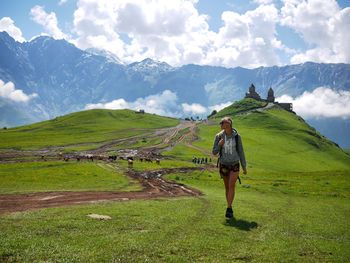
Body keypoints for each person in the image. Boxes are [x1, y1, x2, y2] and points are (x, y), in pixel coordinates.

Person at [212, 117, 247, 218]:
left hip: (235, 164)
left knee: (232, 186)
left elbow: (241, 151)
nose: (223, 124)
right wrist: (219, 145)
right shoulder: (218, 136)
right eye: (222, 123)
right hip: (224, 164)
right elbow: (214, 152)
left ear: (230, 124)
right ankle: (229, 206)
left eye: (225, 122)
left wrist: (244, 167)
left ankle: (229, 208)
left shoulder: (237, 136)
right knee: (227, 187)